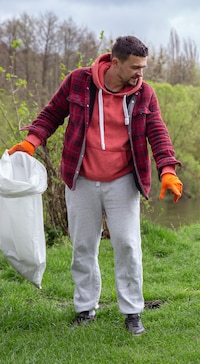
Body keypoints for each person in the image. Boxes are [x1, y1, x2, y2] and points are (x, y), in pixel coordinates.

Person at [6, 36, 183, 335]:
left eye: (143, 68)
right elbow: (52, 113)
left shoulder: (144, 94)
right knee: (84, 245)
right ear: (115, 63)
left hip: (123, 180)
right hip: (81, 178)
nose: (140, 74)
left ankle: (132, 312)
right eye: (135, 67)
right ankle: (85, 309)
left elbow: (157, 132)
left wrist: (167, 169)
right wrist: (31, 141)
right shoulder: (78, 82)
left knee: (127, 245)